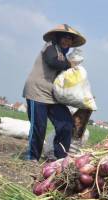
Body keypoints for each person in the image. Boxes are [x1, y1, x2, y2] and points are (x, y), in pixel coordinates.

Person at [23, 24, 86, 161]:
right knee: (39, 127)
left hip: (53, 96)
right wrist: (70, 65)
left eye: (70, 39)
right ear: (58, 38)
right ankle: (32, 158)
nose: (67, 41)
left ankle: (60, 158)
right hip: (37, 92)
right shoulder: (50, 47)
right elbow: (52, 62)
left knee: (66, 123)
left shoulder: (64, 55)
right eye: (64, 38)